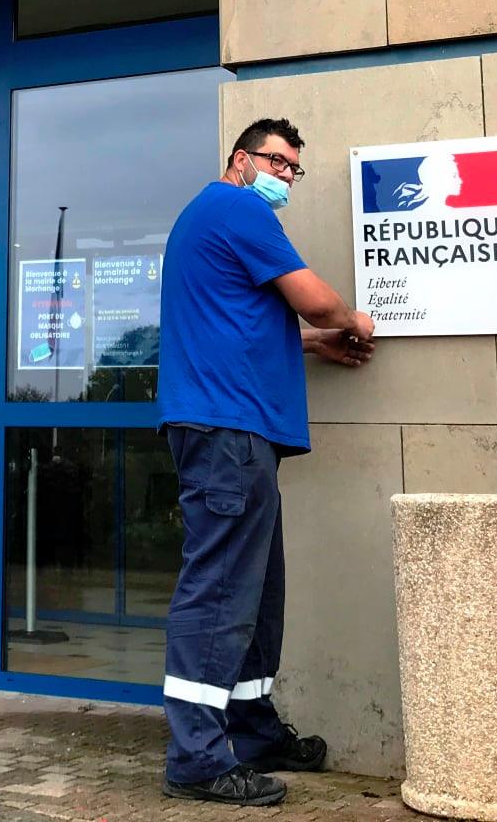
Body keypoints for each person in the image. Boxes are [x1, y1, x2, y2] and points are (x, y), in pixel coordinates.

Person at [158, 117, 378, 807]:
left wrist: (313, 347)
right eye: (276, 162)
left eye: (293, 170)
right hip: (227, 432)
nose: (284, 176)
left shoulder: (210, 217)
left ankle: (251, 729)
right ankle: (196, 757)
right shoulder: (236, 207)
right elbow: (310, 296)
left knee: (256, 592)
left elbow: (241, 321)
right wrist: (350, 319)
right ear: (240, 159)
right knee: (220, 591)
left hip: (233, 428)